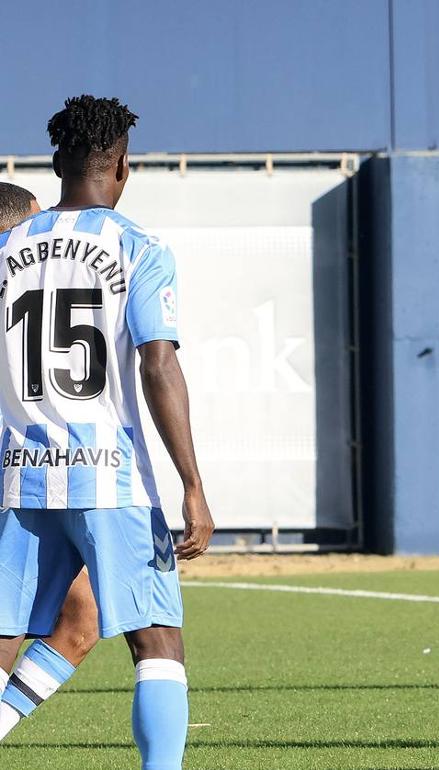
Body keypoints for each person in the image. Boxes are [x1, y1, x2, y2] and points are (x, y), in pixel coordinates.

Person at [0, 94, 214, 770]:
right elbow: (159, 364)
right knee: (157, 643)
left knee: (6, 641)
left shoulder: (6, 247)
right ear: (122, 164)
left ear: (57, 160)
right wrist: (193, 485)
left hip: (22, 478)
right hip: (110, 476)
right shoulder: (138, 248)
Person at [0, 182, 104, 741]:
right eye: (37, 223)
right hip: (17, 479)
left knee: (83, 618)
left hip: (48, 474)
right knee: (6, 627)